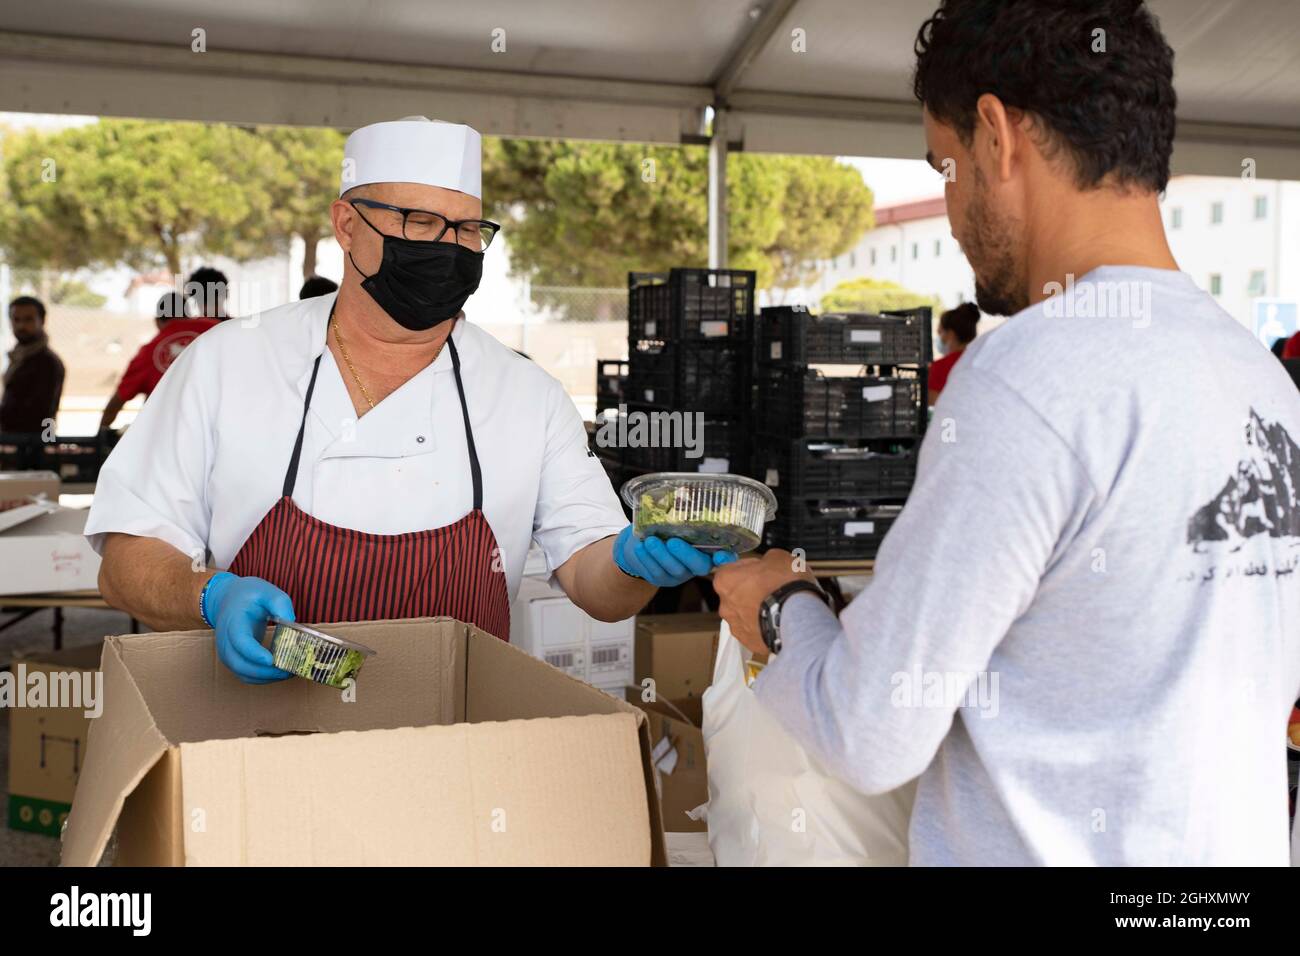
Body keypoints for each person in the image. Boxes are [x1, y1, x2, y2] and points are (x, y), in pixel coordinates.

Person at [713, 0, 1300, 866]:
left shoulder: (1027, 376)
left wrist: (779, 604)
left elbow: (869, 728)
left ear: (996, 136)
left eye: (944, 167)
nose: (952, 213)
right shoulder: (1259, 378)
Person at [87, 116, 730, 684]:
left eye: (468, 229)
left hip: (457, 750)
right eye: (419, 222)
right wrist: (212, 596)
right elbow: (127, 561)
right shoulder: (228, 364)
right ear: (346, 225)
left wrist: (633, 562)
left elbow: (597, 587)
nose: (447, 246)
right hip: (262, 743)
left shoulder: (526, 395)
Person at [98, 292, 218, 431]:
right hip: (219, 423)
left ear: (157, 321)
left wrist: (102, 432)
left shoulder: (149, 352)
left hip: (171, 432)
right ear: (188, 314)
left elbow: (117, 401)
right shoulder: (215, 329)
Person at [1, 296, 64, 437]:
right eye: (16, 320)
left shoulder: (47, 362)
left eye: (28, 319)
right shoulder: (19, 358)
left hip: (32, 446)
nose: (21, 326)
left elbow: (40, 413)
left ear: (41, 321)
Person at [927, 302, 979, 404]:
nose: (939, 337)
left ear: (950, 334)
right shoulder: (981, 360)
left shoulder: (940, 367)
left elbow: (933, 406)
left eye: (940, 332)